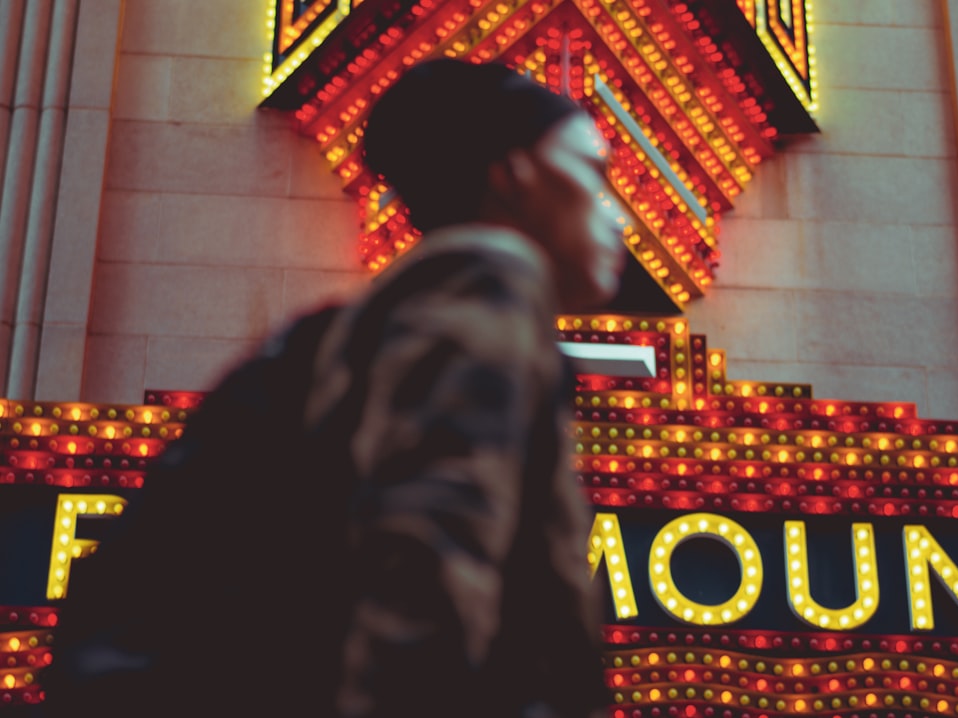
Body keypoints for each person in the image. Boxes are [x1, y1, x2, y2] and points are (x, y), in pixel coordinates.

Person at [41, 58, 626, 718]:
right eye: (595, 176)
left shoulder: (375, 327)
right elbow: (429, 574)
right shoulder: (486, 289)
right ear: (514, 175)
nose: (619, 218)